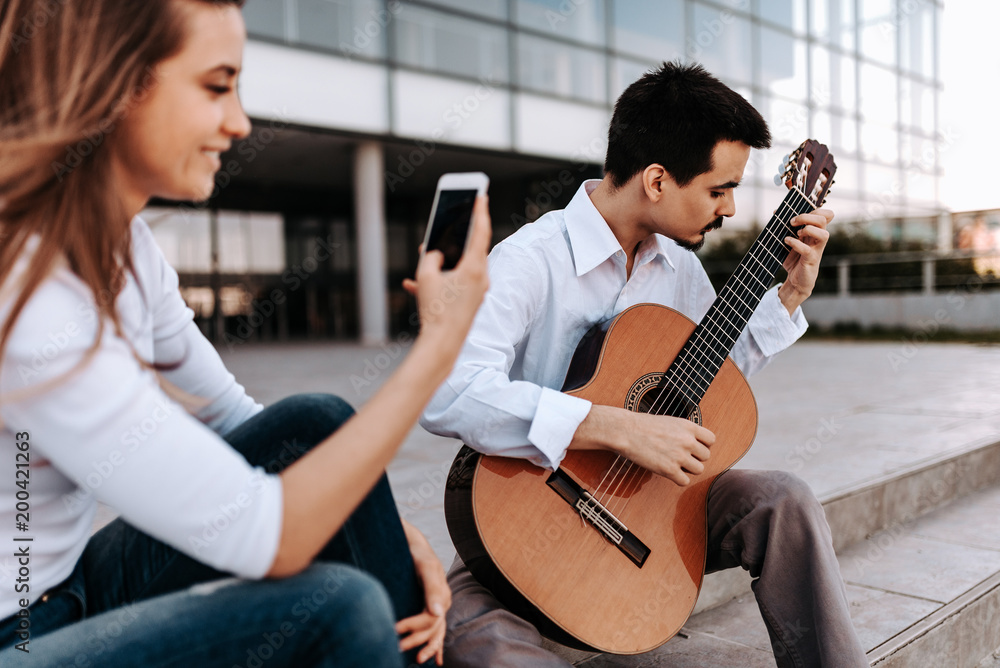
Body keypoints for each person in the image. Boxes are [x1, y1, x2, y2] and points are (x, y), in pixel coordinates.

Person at [0, 1, 489, 666]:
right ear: (117, 86)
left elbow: (235, 418)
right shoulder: (32, 298)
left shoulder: (130, 251)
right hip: (17, 635)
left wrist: (384, 526)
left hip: (70, 584)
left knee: (315, 421)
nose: (240, 121)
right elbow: (274, 535)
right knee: (340, 610)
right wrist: (438, 346)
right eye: (215, 85)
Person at [420, 62, 868, 668]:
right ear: (657, 181)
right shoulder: (528, 262)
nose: (732, 209)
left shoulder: (678, 268)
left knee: (783, 499)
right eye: (719, 189)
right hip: (523, 518)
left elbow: (710, 377)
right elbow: (450, 391)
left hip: (649, 515)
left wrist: (786, 296)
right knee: (478, 644)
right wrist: (614, 425)